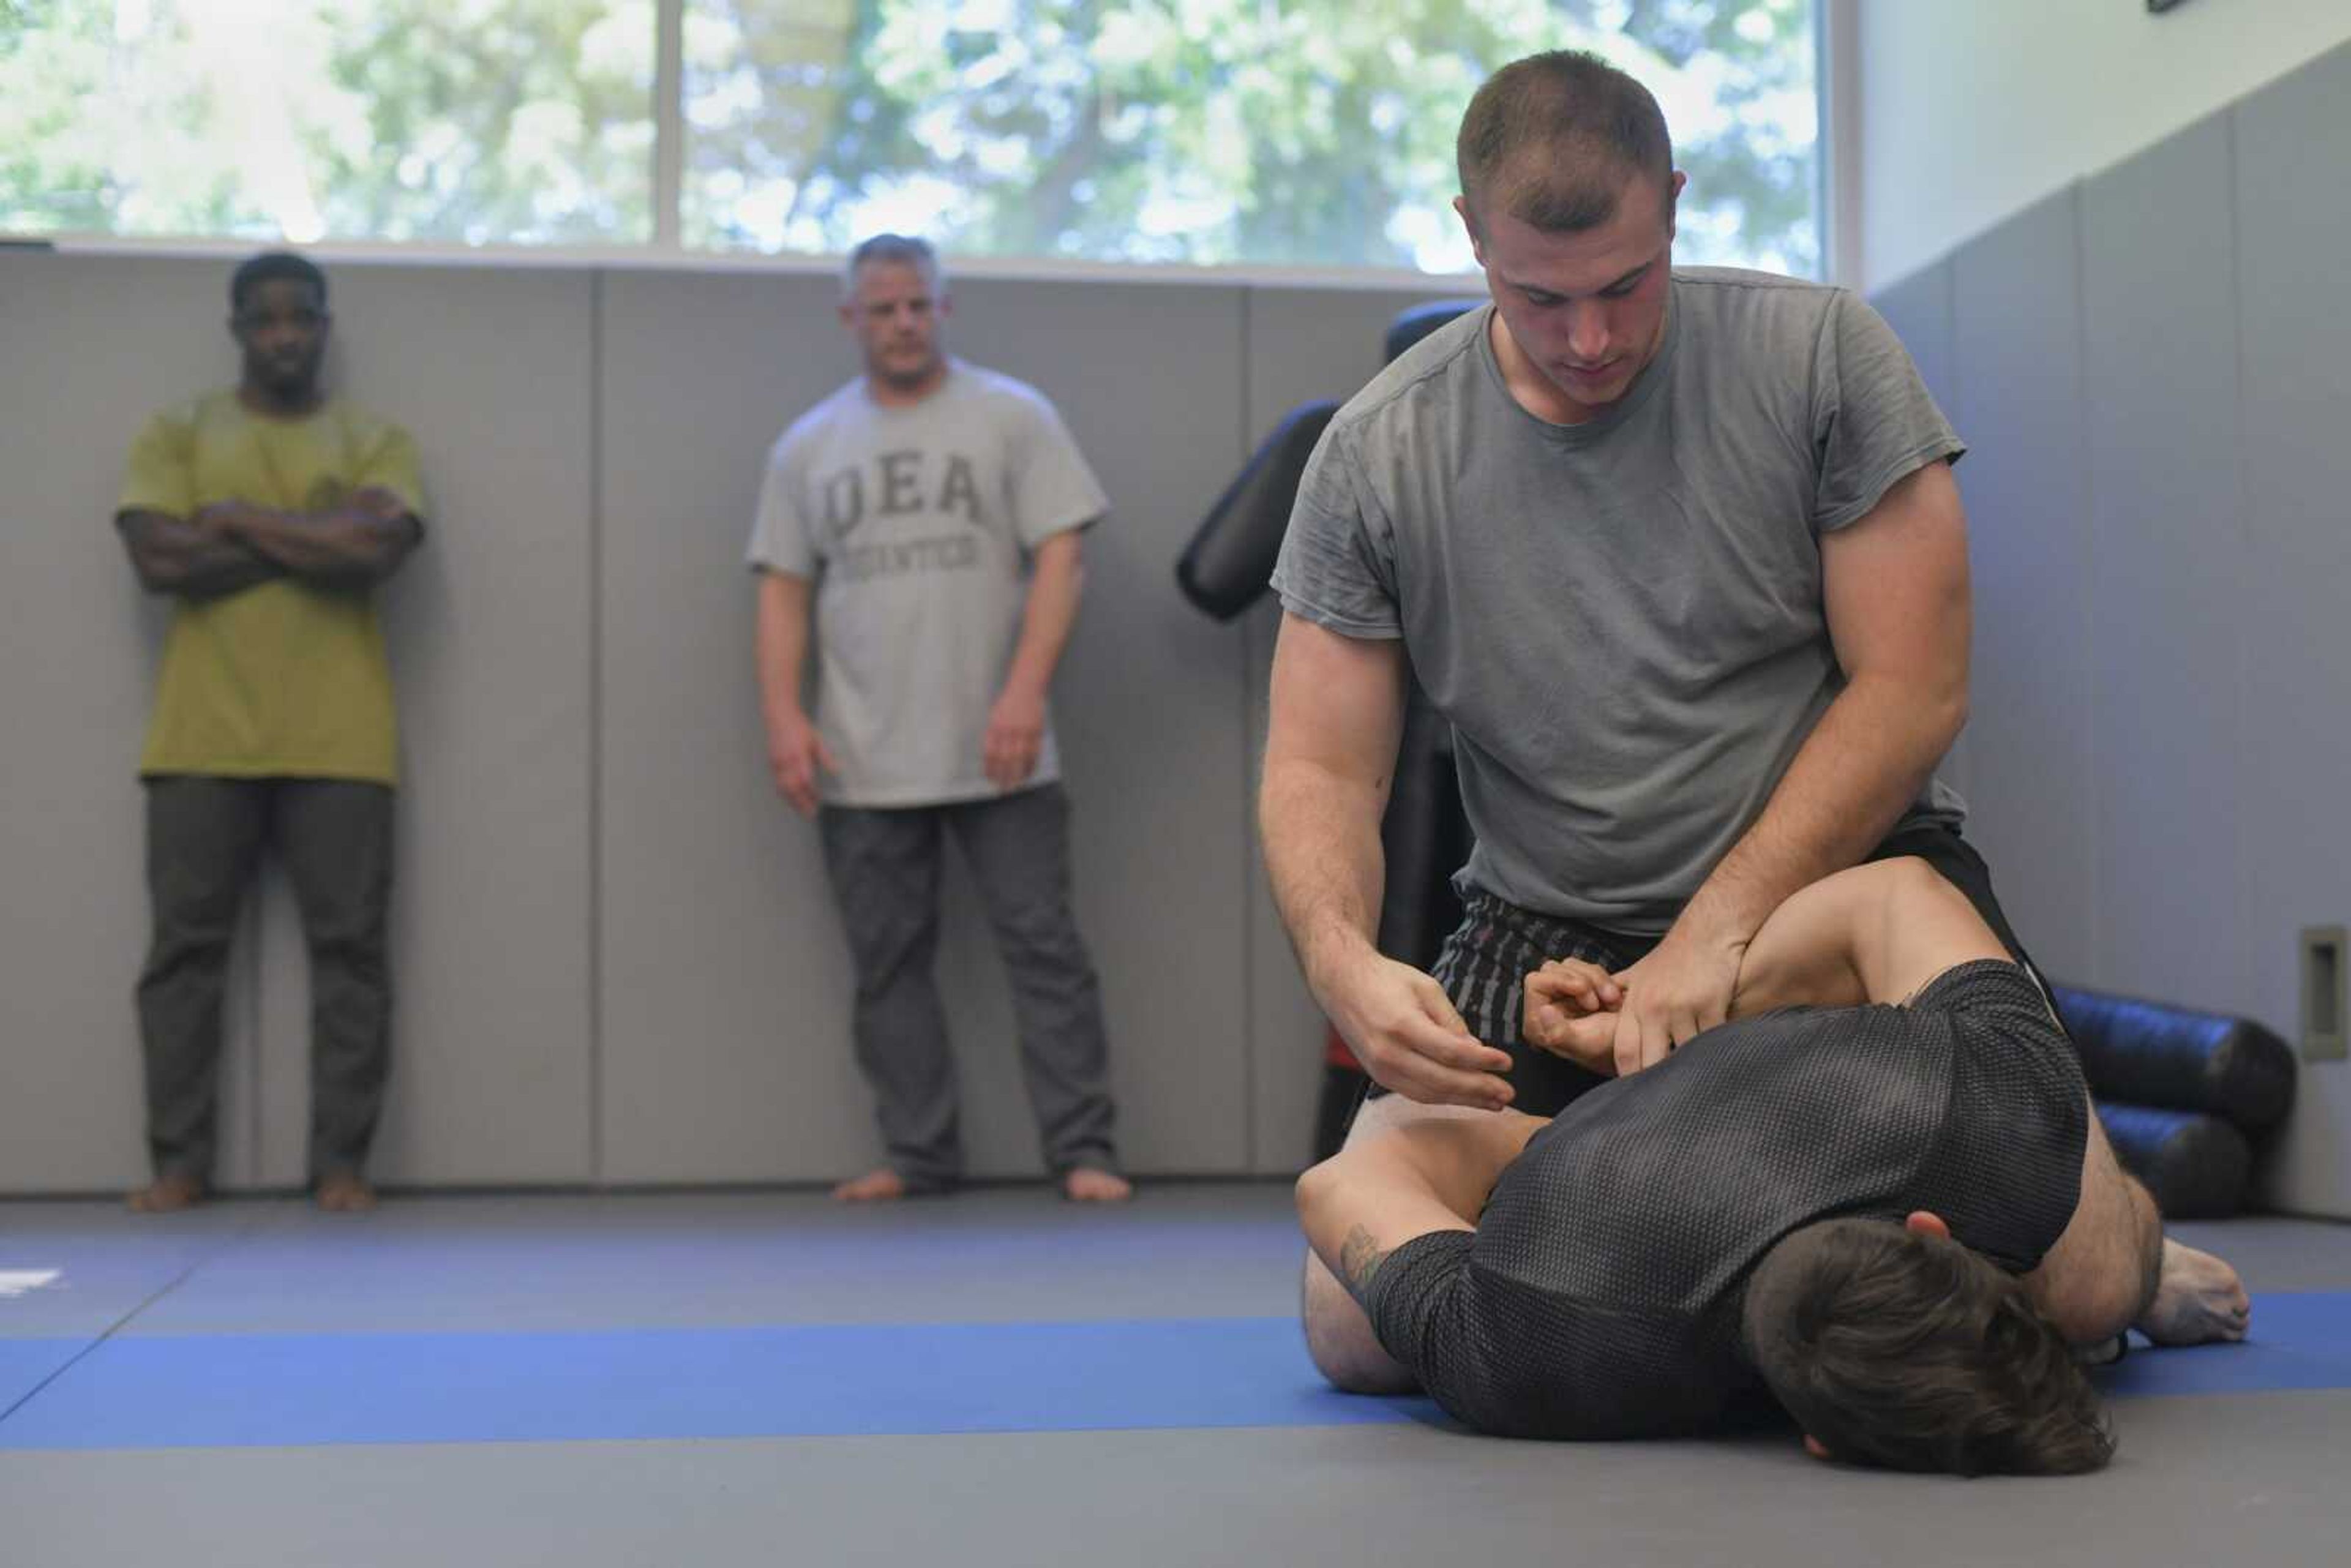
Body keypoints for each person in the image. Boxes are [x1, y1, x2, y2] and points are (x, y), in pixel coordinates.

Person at [1261, 47, 2054, 1365]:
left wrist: (1714, 936)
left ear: (1674, 203)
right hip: (1547, 933)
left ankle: (2120, 1237)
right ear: (1471, 238)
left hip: (1835, 892)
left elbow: (1915, 687)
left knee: (2070, 1282)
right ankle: (1690, 1224)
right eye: (1538, 296)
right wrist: (1340, 961)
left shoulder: (1819, 353)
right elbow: (1320, 771)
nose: (1590, 339)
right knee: (1354, 1330)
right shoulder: (1377, 453)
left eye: (1626, 286)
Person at [1296, 857, 2252, 1473]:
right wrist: (1657, 999)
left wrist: (1562, 1124)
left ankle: (2126, 1251)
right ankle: (2134, 1255)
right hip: (1714, 1033)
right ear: (1818, 1437)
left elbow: (1343, 1179)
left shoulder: (1552, 1310)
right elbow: (1893, 894)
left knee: (1344, 1328)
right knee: (2092, 1267)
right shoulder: (2002, 1107)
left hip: (1620, 1161)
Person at [748, 234, 1130, 1204]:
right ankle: (917, 1156)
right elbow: (784, 591)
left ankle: (1083, 1150)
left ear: (942, 307)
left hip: (1004, 751)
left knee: (1044, 950)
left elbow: (1062, 556)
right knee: (887, 966)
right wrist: (784, 719)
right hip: (863, 755)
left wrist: (1022, 691)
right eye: (883, 309)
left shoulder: (1012, 416)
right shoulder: (808, 445)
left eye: (919, 304)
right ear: (852, 320)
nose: (904, 322)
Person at [114, 251, 427, 1214]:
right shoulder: (178, 431)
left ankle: (341, 1165)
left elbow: (376, 550)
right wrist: (313, 537)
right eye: (265, 320)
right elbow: (161, 559)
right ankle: (179, 1165)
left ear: (325, 326)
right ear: (239, 329)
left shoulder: (375, 438)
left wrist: (240, 520)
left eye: (301, 318)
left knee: (352, 958)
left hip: (342, 743)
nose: (284, 335)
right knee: (182, 961)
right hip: (199, 742)